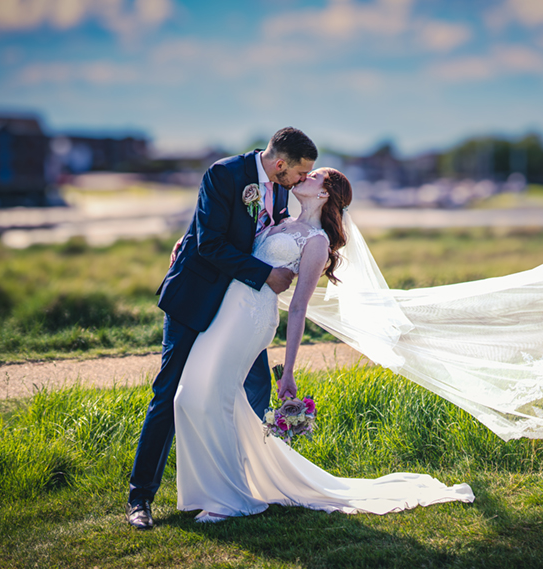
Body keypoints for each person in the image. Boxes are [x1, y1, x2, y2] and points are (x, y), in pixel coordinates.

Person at [173, 167, 475, 522]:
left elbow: (299, 307)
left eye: (314, 175)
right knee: (190, 396)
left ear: (324, 194)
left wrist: (288, 372)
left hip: (252, 320)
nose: (305, 176)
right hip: (225, 314)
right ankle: (214, 489)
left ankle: (232, 501)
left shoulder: (315, 241)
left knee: (217, 398)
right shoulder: (279, 221)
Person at [126, 127, 318, 530]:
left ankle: (242, 483)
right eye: (300, 173)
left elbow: (261, 233)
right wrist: (266, 274)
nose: (303, 180)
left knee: (253, 393)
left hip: (239, 312)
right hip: (197, 299)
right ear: (280, 164)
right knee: (170, 393)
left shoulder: (282, 188)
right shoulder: (224, 174)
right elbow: (210, 243)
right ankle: (140, 497)